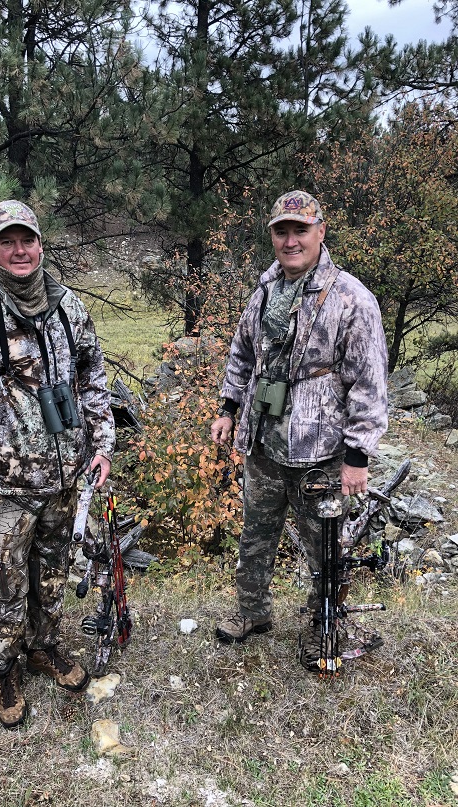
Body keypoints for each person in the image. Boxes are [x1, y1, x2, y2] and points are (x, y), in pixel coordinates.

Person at [0, 200, 115, 727]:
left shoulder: (67, 307)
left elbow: (93, 378)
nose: (19, 251)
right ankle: (4, 669)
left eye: (27, 240)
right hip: (4, 489)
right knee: (4, 585)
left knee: (51, 574)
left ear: (40, 244)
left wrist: (101, 446)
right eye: (7, 242)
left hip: (64, 478)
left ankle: (43, 646)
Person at [210, 190, 388, 670]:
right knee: (256, 535)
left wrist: (357, 457)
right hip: (263, 444)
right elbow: (242, 353)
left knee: (324, 548)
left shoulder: (352, 299)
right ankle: (252, 612)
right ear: (272, 236)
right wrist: (228, 408)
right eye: (281, 231)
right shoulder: (266, 289)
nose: (291, 241)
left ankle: (323, 624)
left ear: (320, 232)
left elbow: (369, 384)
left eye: (300, 230)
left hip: (321, 452)